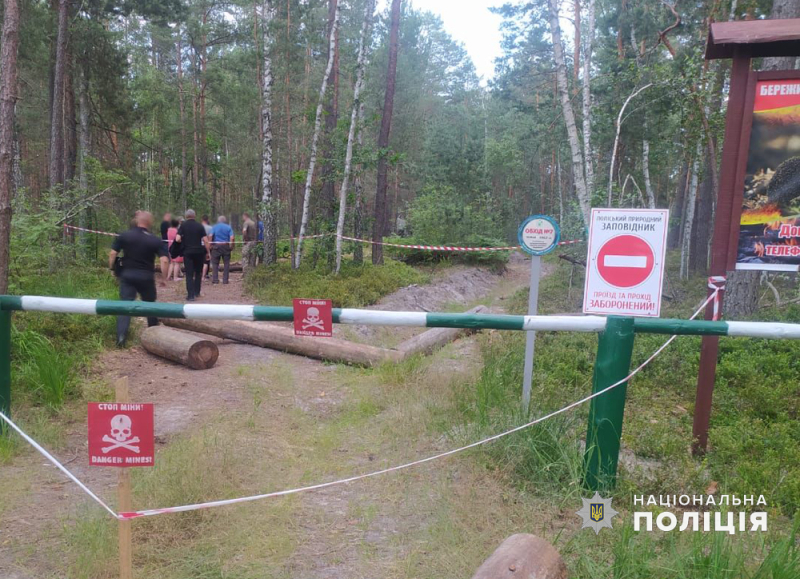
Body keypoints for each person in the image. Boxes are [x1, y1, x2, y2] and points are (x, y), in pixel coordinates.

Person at [109, 211, 169, 347]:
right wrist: (164, 278)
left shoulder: (125, 236)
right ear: (149, 223)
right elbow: (164, 261)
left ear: (137, 221)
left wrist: (112, 269)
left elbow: (113, 253)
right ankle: (154, 336)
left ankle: (121, 338)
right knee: (150, 306)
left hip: (127, 275)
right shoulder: (154, 239)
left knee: (125, 306)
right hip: (146, 277)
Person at [176, 209, 210, 301]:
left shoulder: (183, 226)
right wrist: (208, 252)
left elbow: (177, 239)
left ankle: (190, 296)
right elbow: (206, 240)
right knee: (198, 273)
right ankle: (197, 292)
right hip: (199, 252)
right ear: (194, 216)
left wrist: (183, 240)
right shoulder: (199, 226)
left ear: (186, 216)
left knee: (189, 274)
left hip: (188, 252)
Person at [211, 215, 234, 284]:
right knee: (226, 264)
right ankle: (225, 280)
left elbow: (210, 236)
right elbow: (232, 238)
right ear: (225, 221)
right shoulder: (228, 227)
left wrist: (211, 245)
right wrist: (231, 246)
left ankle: (215, 280)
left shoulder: (214, 227)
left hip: (216, 246)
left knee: (215, 263)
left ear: (218, 221)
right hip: (225, 246)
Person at [201, 215, 213, 279]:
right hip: (206, 245)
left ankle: (198, 274)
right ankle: (203, 276)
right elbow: (210, 237)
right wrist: (210, 245)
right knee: (206, 261)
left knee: (199, 261)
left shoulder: (198, 226)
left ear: (201, 219)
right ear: (207, 220)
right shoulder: (210, 228)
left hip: (198, 246)